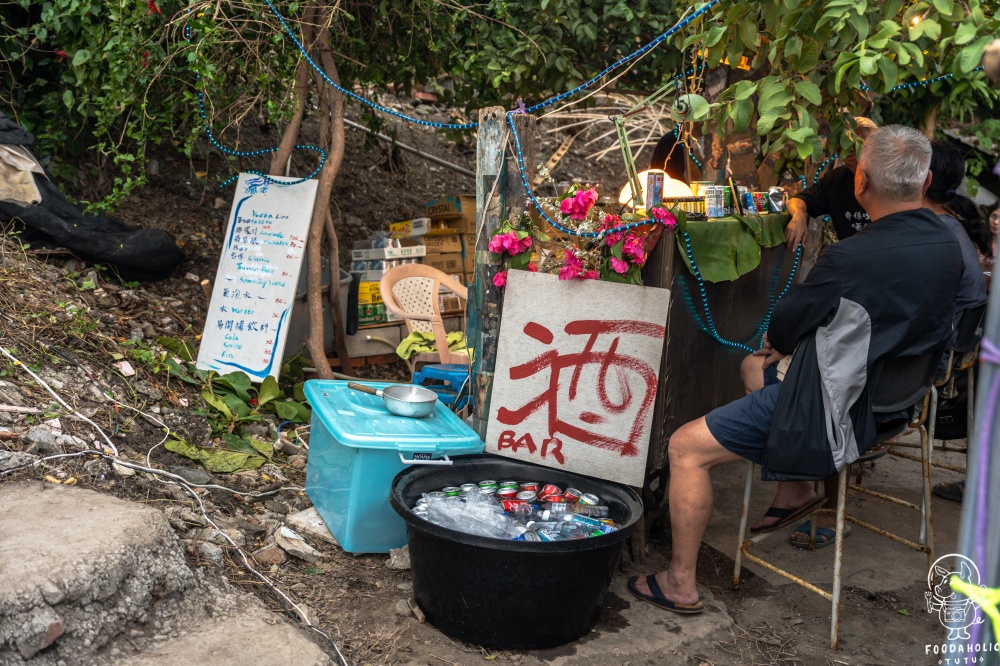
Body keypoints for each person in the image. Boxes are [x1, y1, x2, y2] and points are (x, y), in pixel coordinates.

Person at [628, 126, 962, 614]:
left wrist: (782, 343)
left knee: (685, 448)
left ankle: (679, 583)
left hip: (835, 407)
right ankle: (797, 486)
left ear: (860, 182)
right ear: (927, 178)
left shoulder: (850, 258)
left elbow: (784, 328)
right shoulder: (948, 244)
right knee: (753, 369)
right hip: (897, 404)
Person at [783, 117, 878, 249]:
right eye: (846, 142)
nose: (852, 148)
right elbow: (800, 200)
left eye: (860, 141)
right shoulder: (836, 180)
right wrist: (798, 216)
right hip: (851, 260)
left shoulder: (889, 178)